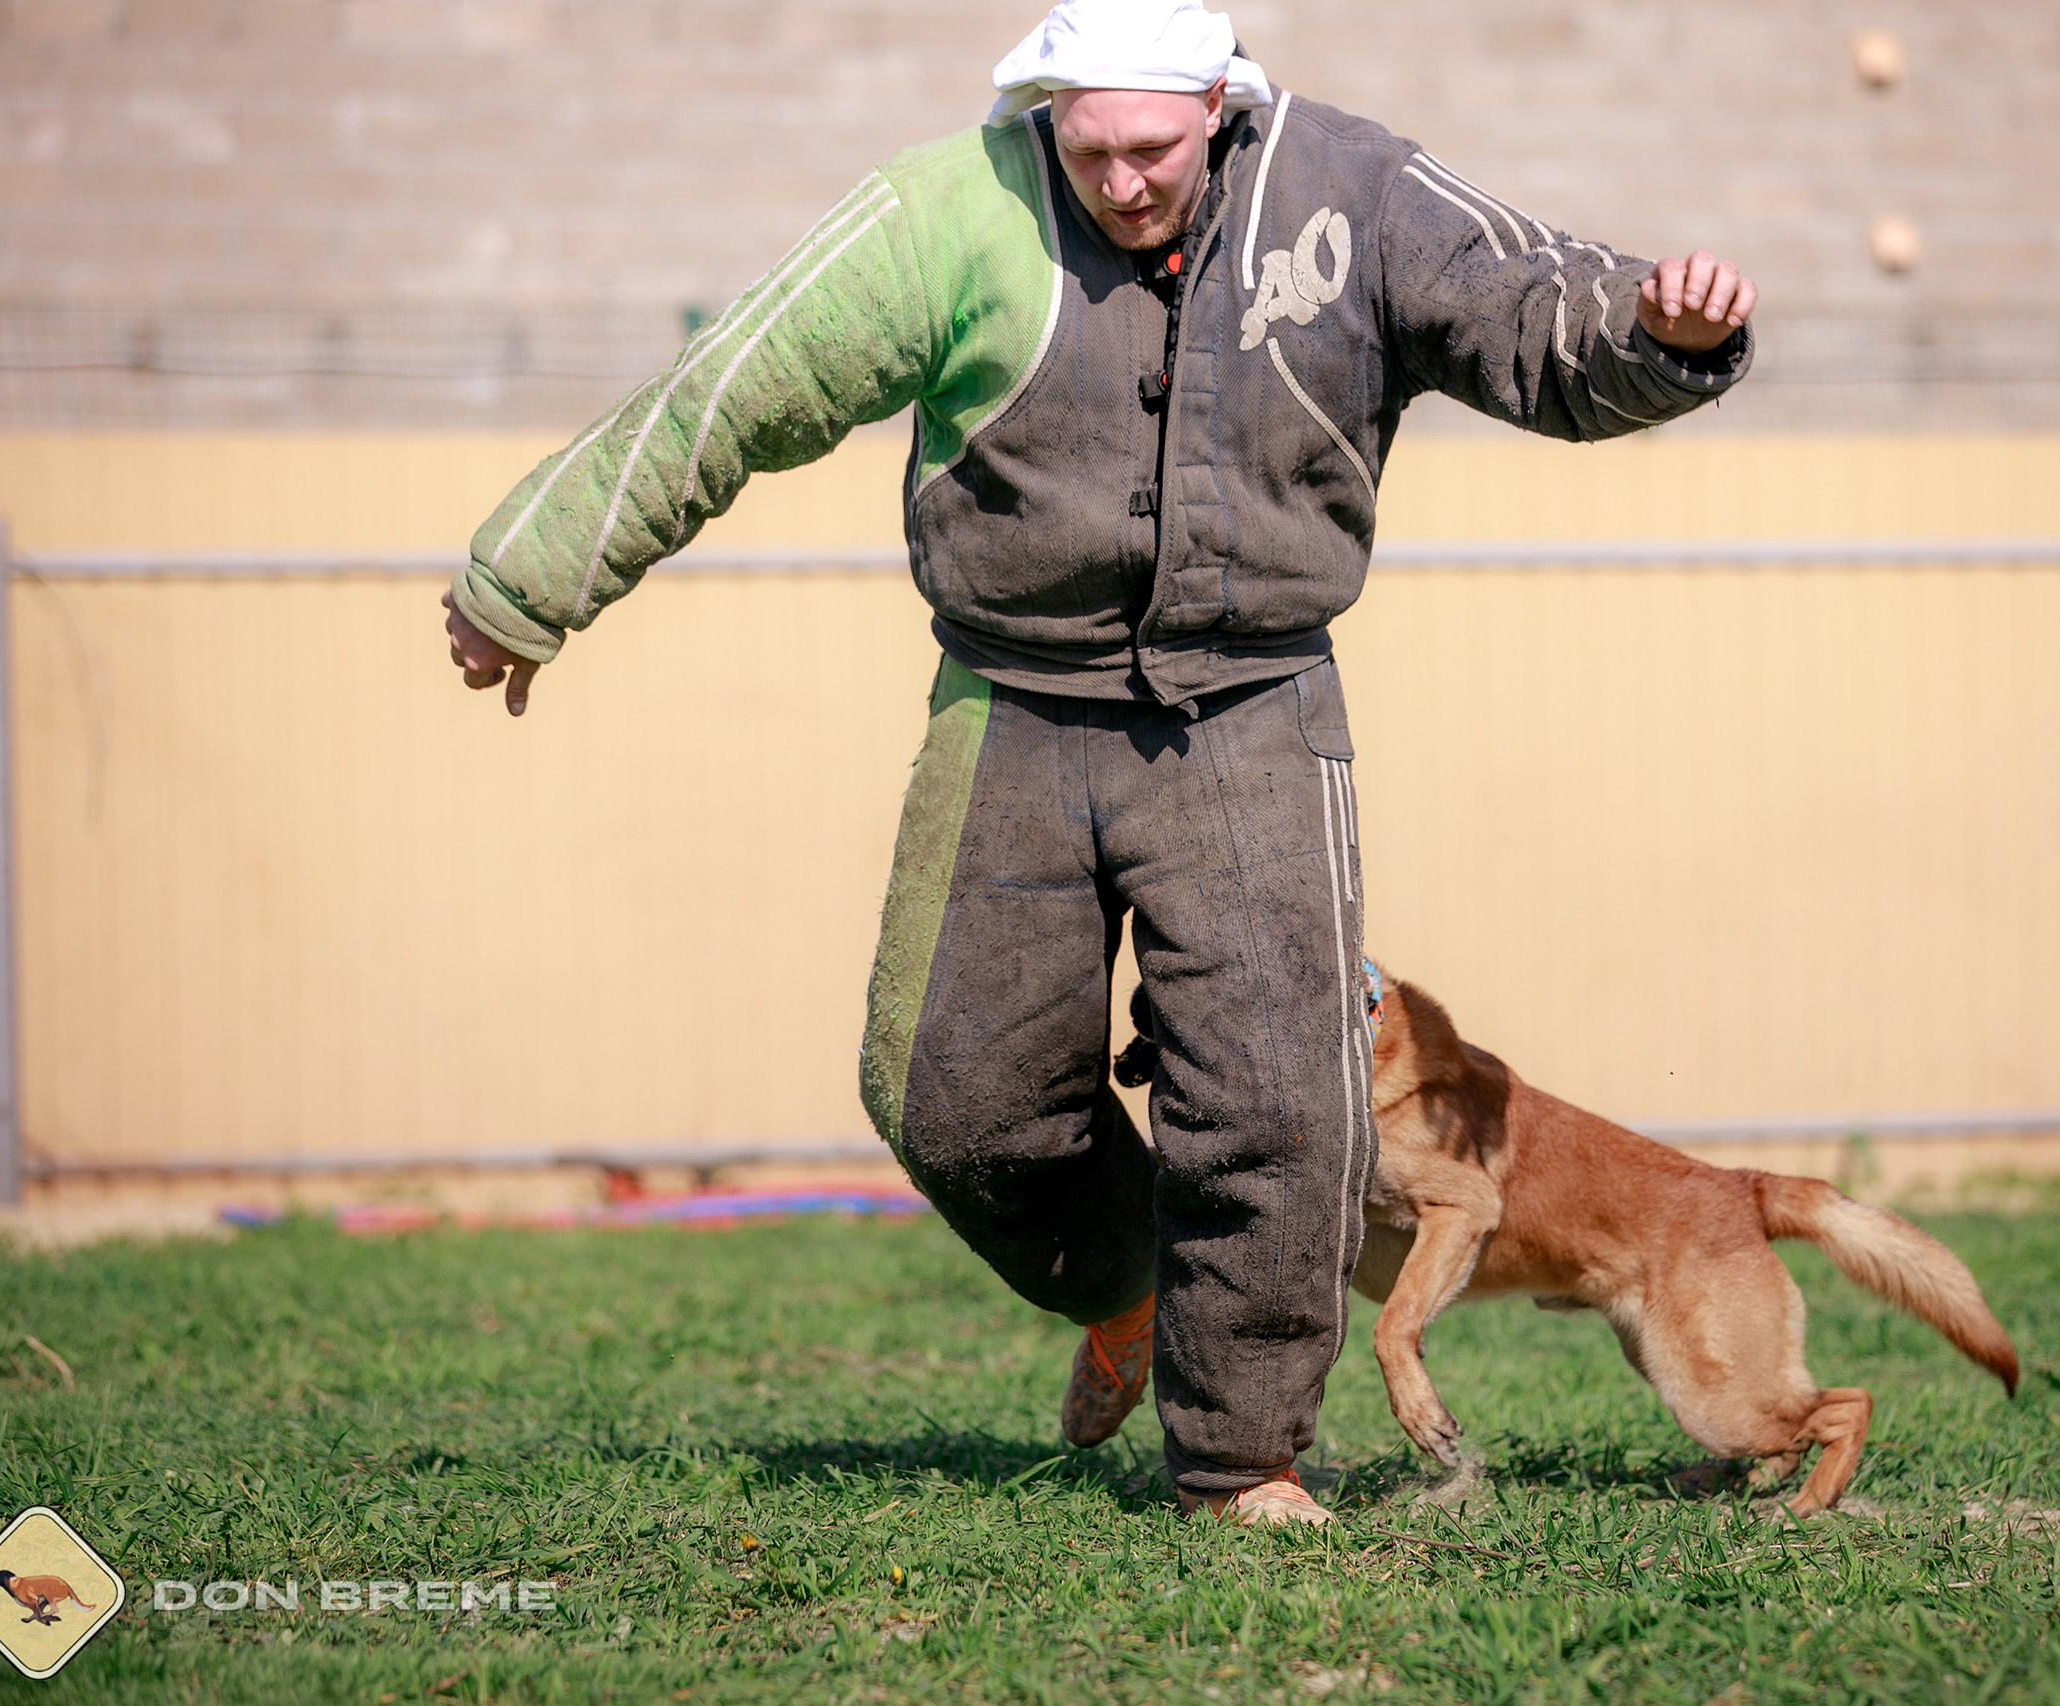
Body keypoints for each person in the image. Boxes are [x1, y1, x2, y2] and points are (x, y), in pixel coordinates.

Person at [442, 0, 1755, 1526]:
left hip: (1259, 708)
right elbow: (732, 390)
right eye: (1091, 150)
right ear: (1043, 113)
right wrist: (527, 583)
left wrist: (1668, 337)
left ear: (1221, 105)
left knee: (1280, 1104)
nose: (1124, 181)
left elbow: (1534, 315)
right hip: (1012, 706)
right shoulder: (944, 214)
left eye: (1153, 149)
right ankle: (1126, 1280)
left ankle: (1242, 1458)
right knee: (952, 1099)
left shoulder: (1354, 192)